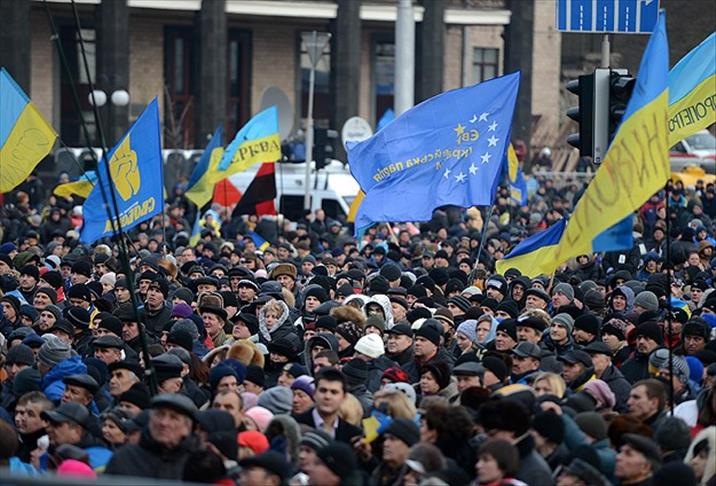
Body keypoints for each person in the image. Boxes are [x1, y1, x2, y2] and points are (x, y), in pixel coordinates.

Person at [104, 394, 199, 479]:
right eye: (159, 415)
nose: (164, 423)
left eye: (174, 418)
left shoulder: (198, 463)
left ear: (187, 427)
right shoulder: (125, 458)